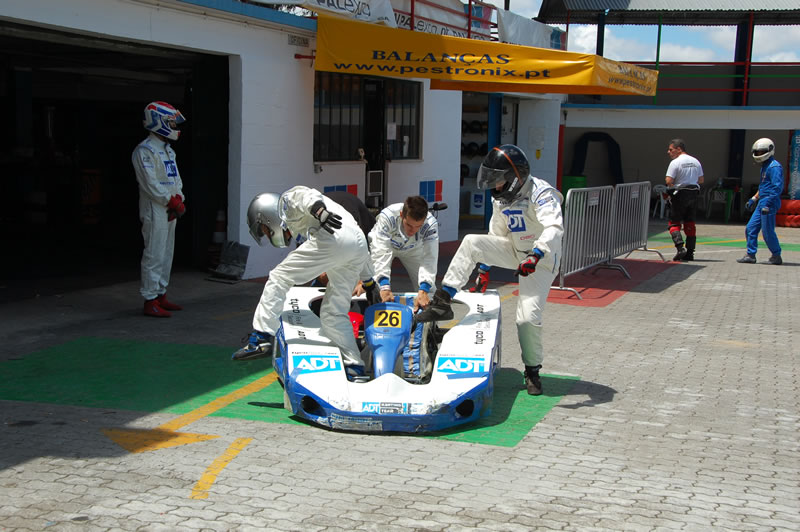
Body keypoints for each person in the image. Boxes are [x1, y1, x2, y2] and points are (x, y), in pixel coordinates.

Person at [415, 145, 563, 396]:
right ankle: (443, 300)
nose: (495, 186)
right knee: (472, 242)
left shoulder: (542, 193)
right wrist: (484, 269)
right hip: (516, 250)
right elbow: (496, 235)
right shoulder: (501, 198)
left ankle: (532, 370)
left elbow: (554, 227)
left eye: (499, 180)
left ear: (515, 177)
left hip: (542, 259)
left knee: (526, 318)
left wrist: (536, 254)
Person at [231, 187, 381, 378]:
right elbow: (356, 243)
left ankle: (260, 338)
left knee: (279, 276)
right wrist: (369, 283)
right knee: (334, 313)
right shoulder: (320, 216)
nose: (268, 234)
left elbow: (306, 196)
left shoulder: (286, 202)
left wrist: (320, 212)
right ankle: (354, 366)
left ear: (267, 217)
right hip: (357, 247)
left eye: (265, 230)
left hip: (333, 240)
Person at [132, 101, 187, 318]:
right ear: (158, 122)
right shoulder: (144, 151)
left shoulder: (168, 150)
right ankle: (150, 299)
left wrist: (179, 198)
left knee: (166, 253)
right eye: (171, 123)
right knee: (154, 253)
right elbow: (150, 184)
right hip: (155, 208)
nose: (174, 127)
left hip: (171, 208)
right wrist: (171, 201)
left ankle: (161, 294)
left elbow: (176, 179)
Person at [368, 195, 439, 311]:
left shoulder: (430, 224)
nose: (412, 230)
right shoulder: (388, 216)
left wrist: (424, 289)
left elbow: (430, 257)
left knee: (429, 290)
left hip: (413, 249)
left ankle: (428, 318)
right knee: (373, 284)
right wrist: (384, 286)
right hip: (386, 246)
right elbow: (380, 252)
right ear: (401, 215)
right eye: (409, 225)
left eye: (418, 226)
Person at [737, 138, 784, 265]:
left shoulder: (774, 167)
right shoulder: (764, 166)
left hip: (769, 202)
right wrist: (754, 198)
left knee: (767, 231)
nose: (759, 154)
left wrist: (768, 203)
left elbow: (777, 187)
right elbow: (763, 186)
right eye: (757, 152)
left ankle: (776, 256)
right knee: (750, 228)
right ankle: (750, 255)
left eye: (761, 152)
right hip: (762, 202)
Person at [664, 139, 704, 261]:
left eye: (671, 149)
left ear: (679, 149)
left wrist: (674, 186)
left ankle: (680, 248)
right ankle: (690, 253)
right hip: (693, 194)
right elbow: (701, 180)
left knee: (674, 223)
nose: (668, 152)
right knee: (690, 223)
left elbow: (668, 181)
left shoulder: (675, 162)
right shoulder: (696, 161)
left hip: (680, 194)